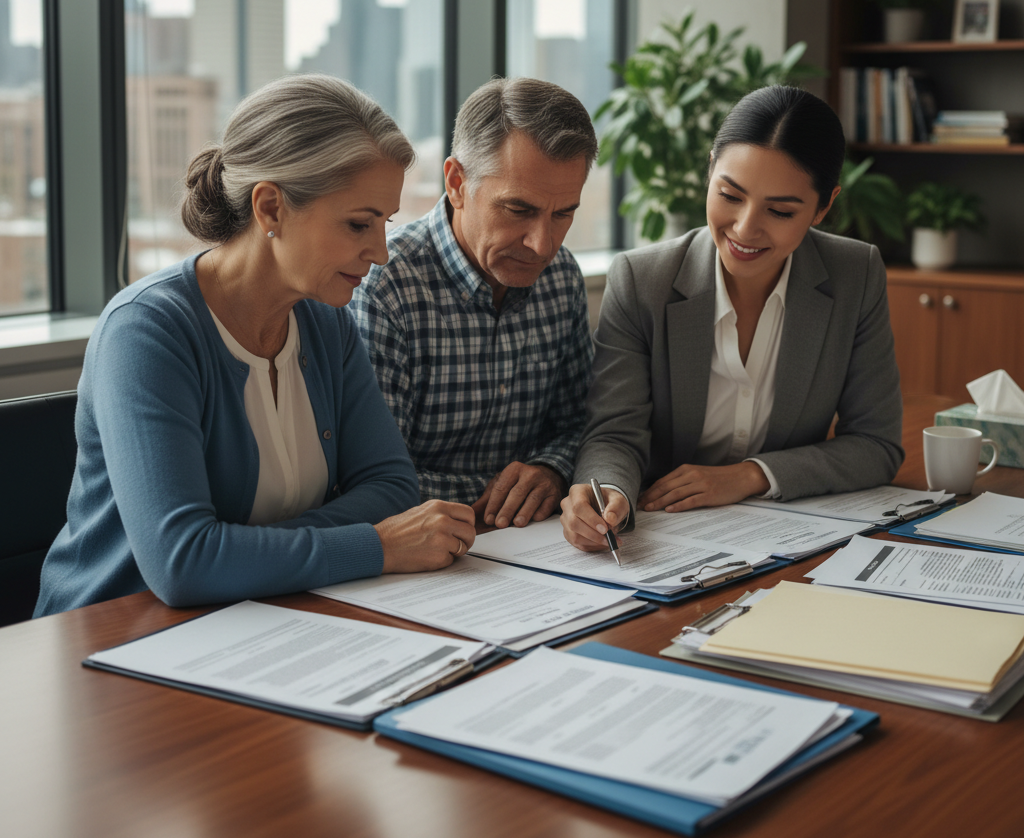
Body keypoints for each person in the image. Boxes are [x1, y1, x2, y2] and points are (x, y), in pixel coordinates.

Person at [35, 75, 476, 616]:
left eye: (384, 222)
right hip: (116, 634)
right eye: (359, 224)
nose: (380, 252)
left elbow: (392, 487)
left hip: (262, 616)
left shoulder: (324, 321)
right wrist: (375, 545)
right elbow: (183, 564)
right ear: (269, 208)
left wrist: (239, 550)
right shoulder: (145, 332)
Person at [561, 84, 904, 551]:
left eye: (780, 210)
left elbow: (876, 443)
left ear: (824, 206)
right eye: (730, 194)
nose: (745, 228)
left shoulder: (855, 275)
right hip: (670, 537)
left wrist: (749, 477)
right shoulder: (642, 281)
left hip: (790, 537)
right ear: (710, 171)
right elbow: (614, 433)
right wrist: (611, 492)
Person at [350, 78, 596, 531]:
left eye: (563, 214)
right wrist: (502, 495)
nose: (542, 245)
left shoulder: (561, 277)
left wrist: (552, 470)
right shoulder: (386, 287)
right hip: (420, 553)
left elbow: (584, 425)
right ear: (457, 182)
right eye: (518, 209)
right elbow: (375, 481)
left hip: (536, 547)